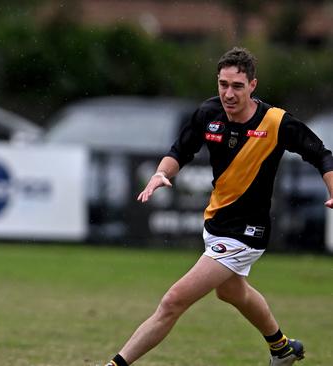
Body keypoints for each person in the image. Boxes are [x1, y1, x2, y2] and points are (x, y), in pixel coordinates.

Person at [104, 47, 333, 366]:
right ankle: (281, 349)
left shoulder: (276, 122)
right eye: (223, 84)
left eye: (237, 86)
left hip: (247, 232)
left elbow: (322, 154)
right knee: (231, 292)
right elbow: (179, 151)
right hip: (216, 224)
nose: (228, 93)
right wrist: (161, 173)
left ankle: (115, 364)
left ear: (253, 85)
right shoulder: (208, 113)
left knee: (173, 301)